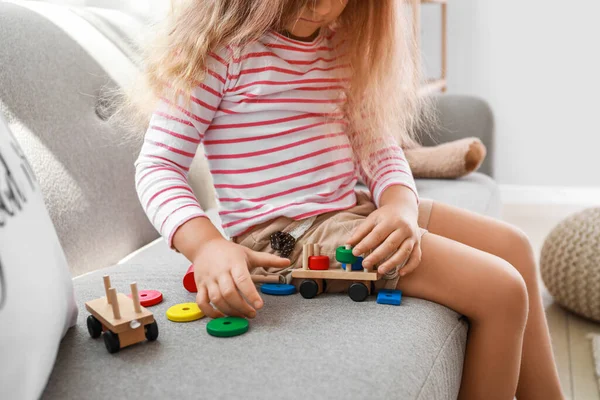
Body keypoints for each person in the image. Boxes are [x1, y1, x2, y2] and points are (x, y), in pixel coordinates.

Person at [129, 1, 563, 398]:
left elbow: (378, 148)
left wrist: (399, 206)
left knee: (515, 247)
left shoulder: (340, 46)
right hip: (285, 236)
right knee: (501, 291)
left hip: (348, 208)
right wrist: (206, 245)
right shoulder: (223, 54)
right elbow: (157, 167)